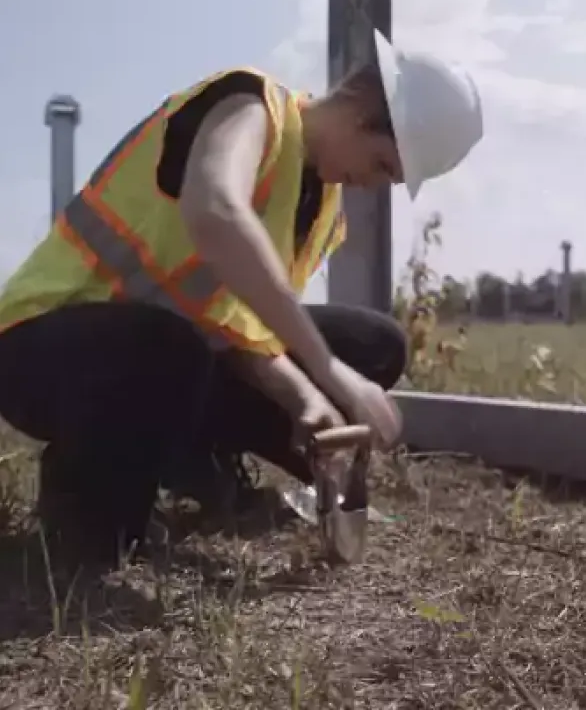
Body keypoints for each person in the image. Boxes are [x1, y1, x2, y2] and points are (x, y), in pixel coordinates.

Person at [0, 30, 484, 565]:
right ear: (363, 110)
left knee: (374, 345)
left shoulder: (322, 210)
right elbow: (214, 211)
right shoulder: (251, 107)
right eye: (382, 165)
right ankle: (84, 501)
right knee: (173, 347)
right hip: (39, 350)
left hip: (170, 359)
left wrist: (305, 398)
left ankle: (195, 460)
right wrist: (325, 369)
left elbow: (236, 327)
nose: (372, 184)